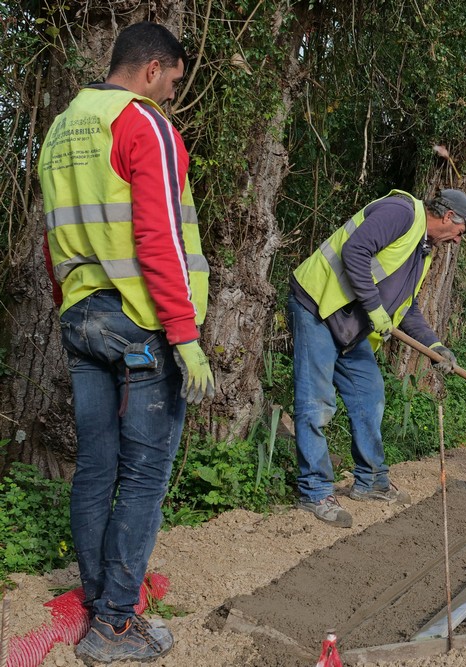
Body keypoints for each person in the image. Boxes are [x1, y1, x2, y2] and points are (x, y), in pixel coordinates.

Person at [38, 22, 214, 664]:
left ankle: (97, 604)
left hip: (81, 316)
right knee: (144, 475)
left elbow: (54, 236)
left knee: (96, 468)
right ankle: (114, 625)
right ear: (152, 68)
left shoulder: (62, 129)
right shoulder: (142, 124)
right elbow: (159, 236)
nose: (172, 93)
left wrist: (71, 308)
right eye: (173, 79)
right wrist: (184, 334)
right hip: (139, 320)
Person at [289, 188, 466, 527]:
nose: (457, 240)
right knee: (317, 403)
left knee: (370, 395)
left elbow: (407, 308)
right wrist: (375, 308)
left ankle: (371, 481)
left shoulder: (422, 251)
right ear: (449, 216)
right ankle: (315, 491)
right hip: (317, 306)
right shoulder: (400, 212)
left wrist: (434, 345)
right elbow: (355, 250)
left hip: (350, 321)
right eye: (461, 231)